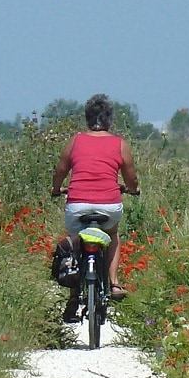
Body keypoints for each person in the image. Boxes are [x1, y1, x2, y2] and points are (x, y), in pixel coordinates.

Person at [50, 93, 140, 323]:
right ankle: (114, 283)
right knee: (113, 235)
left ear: (87, 118)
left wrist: (56, 189)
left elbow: (60, 170)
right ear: (109, 119)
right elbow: (131, 179)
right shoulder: (120, 144)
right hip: (109, 206)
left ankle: (73, 296)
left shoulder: (75, 141)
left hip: (77, 205)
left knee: (76, 236)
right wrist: (132, 189)